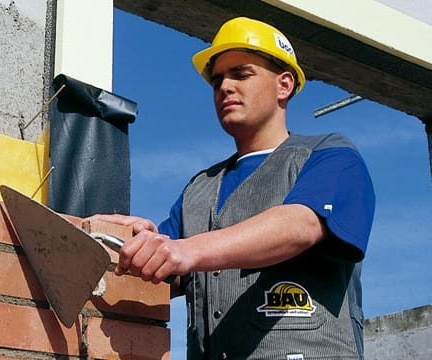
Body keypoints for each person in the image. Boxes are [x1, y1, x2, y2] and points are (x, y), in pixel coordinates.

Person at [90, 17, 375, 360]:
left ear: (284, 85)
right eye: (217, 80)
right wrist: (138, 243)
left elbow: (301, 225)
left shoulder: (330, 155)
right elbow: (168, 269)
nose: (224, 86)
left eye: (240, 74)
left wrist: (186, 250)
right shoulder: (199, 190)